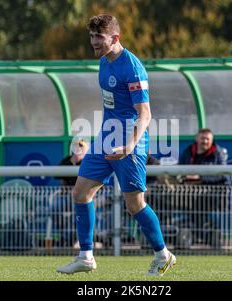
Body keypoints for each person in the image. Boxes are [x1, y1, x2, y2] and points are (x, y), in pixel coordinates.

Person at [57, 14, 176, 276]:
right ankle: (86, 256)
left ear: (115, 38)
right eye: (91, 36)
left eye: (99, 37)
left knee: (135, 205)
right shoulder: (103, 62)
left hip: (129, 140)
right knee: (80, 193)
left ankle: (163, 255)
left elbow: (145, 113)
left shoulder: (132, 67)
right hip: (106, 137)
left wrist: (131, 144)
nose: (94, 42)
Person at [178, 128, 227, 248]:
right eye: (202, 138)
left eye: (207, 139)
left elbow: (223, 174)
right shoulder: (189, 151)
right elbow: (180, 169)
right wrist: (185, 179)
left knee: (200, 208)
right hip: (188, 193)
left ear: (212, 140)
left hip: (211, 194)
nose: (205, 141)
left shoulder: (218, 153)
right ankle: (189, 235)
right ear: (197, 139)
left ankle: (202, 233)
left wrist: (200, 178)